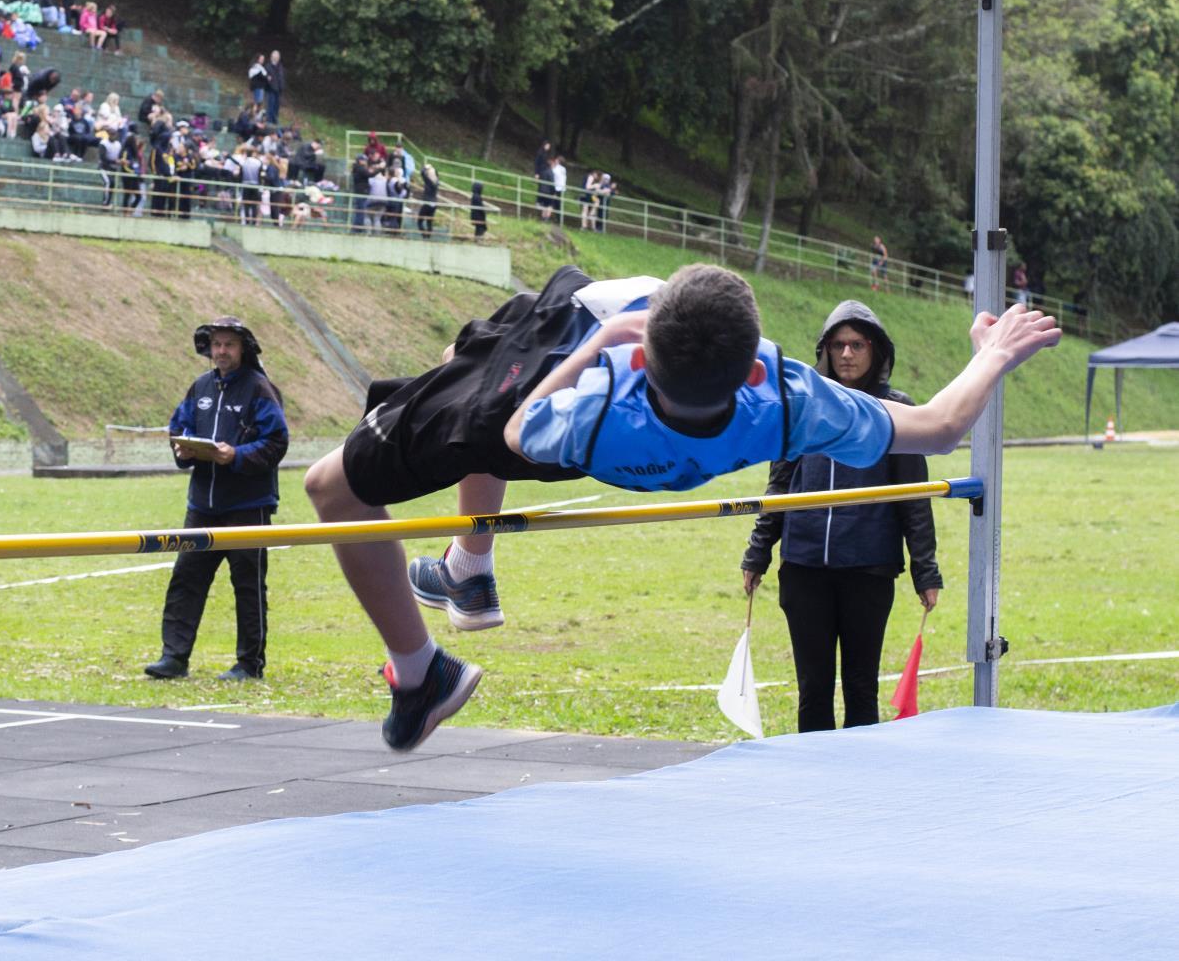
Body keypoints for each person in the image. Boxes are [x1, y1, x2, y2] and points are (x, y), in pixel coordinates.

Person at [300, 262, 1062, 751]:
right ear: (752, 358)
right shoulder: (786, 401)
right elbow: (936, 426)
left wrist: (599, 344)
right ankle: (469, 567)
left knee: (332, 486)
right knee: (461, 359)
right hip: (605, 410)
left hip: (552, 371)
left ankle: (420, 668)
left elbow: (514, 432)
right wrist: (992, 353)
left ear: (640, 351)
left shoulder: (596, 401)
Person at [740, 301, 942, 732]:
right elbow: (778, 487)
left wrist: (926, 571)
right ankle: (814, 782)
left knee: (860, 686)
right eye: (838, 345)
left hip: (868, 570)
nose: (847, 354)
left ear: (876, 350)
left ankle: (863, 783)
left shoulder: (897, 411)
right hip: (803, 568)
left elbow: (915, 499)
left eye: (857, 344)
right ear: (825, 350)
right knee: (812, 687)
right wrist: (757, 555)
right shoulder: (804, 405)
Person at [146, 318, 289, 682]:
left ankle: (249, 664)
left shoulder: (260, 389)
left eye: (229, 344)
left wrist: (236, 456)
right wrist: (184, 448)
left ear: (243, 349)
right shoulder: (200, 387)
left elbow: (276, 442)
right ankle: (173, 658)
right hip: (202, 508)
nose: (221, 351)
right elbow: (178, 427)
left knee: (248, 586)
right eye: (216, 345)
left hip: (248, 506)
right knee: (185, 580)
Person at [266, 49, 285, 124]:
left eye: (277, 57)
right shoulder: (268, 66)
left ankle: (275, 120)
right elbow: (266, 77)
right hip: (271, 89)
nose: (276, 58)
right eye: (275, 57)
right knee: (271, 105)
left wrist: (282, 87)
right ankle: (269, 121)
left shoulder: (280, 66)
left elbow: (281, 77)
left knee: (276, 106)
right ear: (272, 57)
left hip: (279, 90)